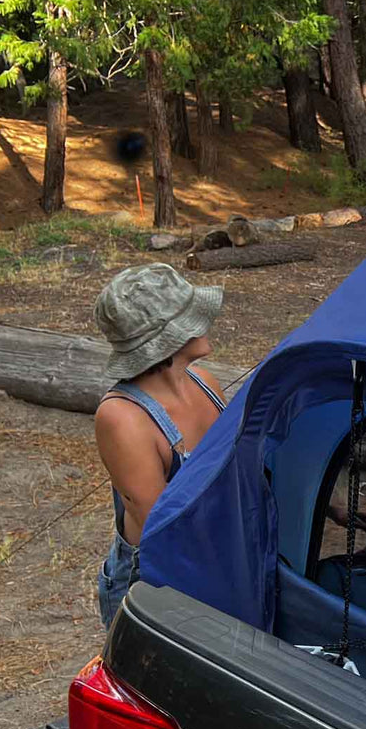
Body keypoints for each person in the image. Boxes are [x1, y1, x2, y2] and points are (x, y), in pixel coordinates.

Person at [93, 264, 227, 628]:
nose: (205, 322)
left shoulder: (203, 382)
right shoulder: (123, 417)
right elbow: (164, 529)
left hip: (216, 561)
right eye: (191, 317)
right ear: (169, 338)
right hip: (156, 586)